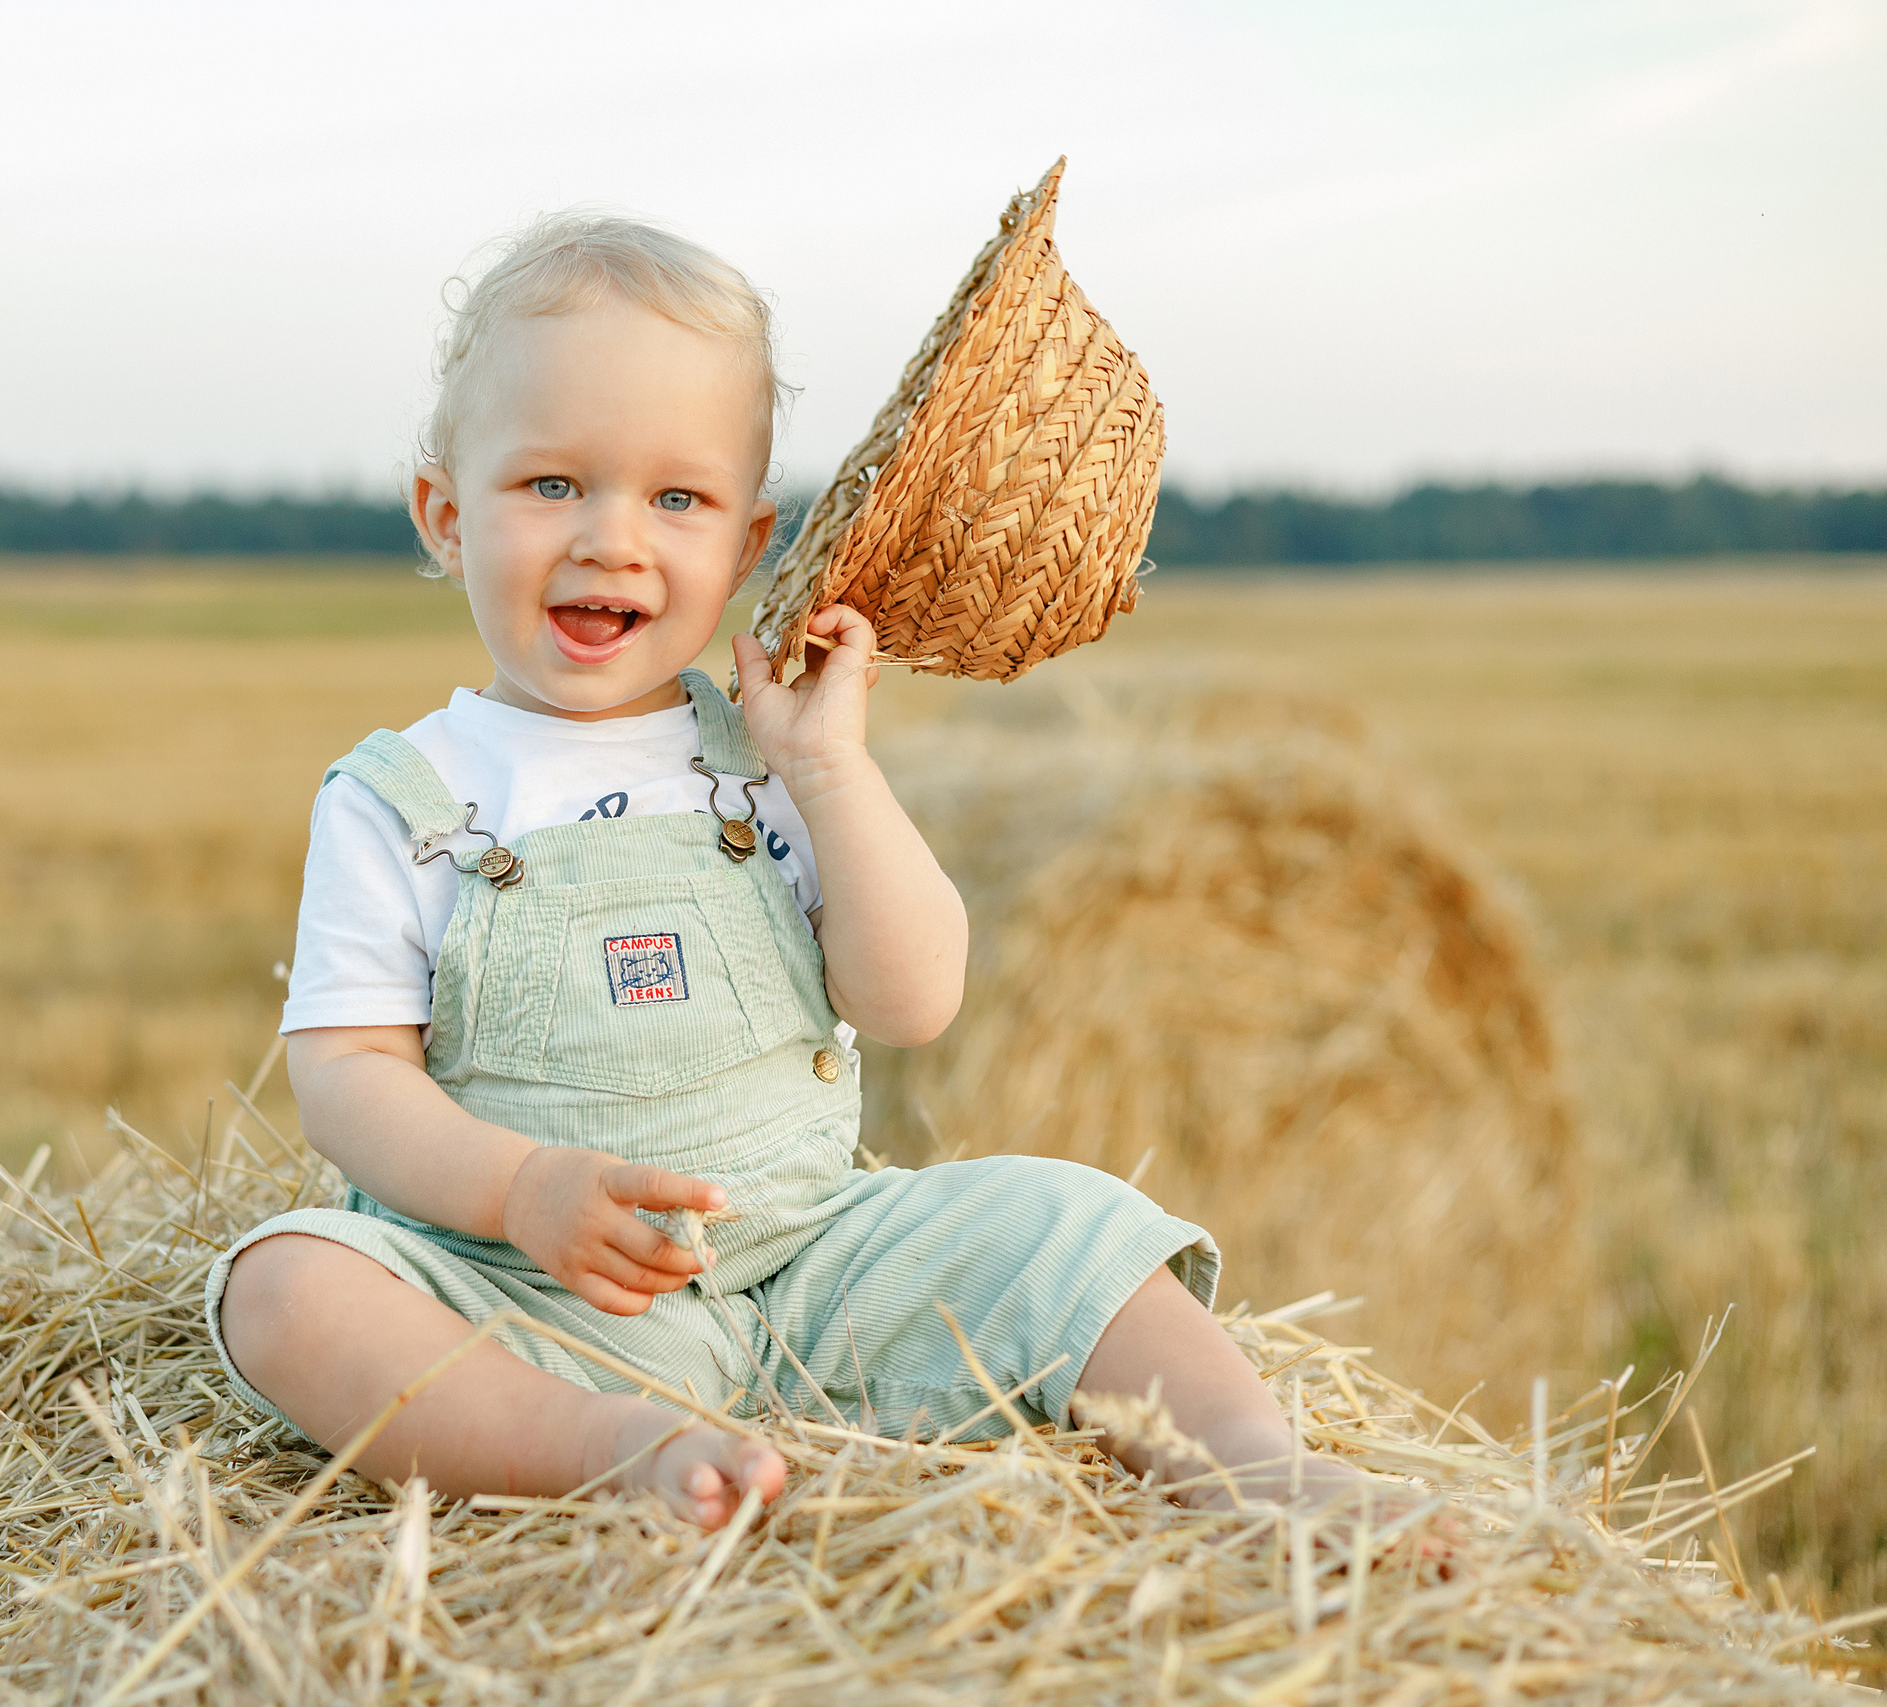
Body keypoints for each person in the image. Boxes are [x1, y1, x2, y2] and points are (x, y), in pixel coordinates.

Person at [209, 214, 1390, 1530]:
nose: (612, 538)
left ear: (747, 542)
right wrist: (518, 1191)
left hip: (823, 1260)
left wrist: (833, 774)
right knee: (287, 1290)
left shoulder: (760, 761)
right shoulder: (402, 798)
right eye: (552, 485)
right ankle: (598, 1445)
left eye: (677, 498)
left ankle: (1253, 1466)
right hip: (549, 1300)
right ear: (444, 514)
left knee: (1066, 1220)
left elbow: (913, 1000)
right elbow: (348, 1080)